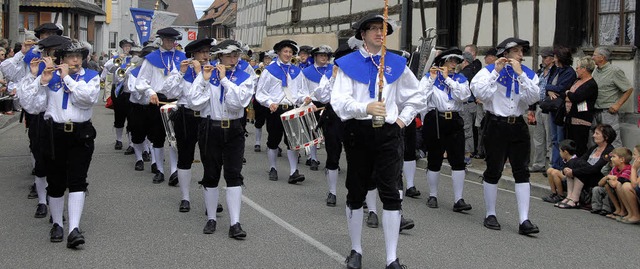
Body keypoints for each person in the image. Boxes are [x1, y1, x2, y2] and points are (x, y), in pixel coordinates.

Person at [331, 14, 423, 269]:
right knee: (356, 191)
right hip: (358, 132)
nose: (379, 33)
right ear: (363, 34)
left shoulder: (396, 63)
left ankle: (392, 258)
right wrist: (365, 107)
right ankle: (356, 250)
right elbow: (339, 102)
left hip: (389, 134)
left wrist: (403, 120)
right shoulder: (347, 63)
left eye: (383, 29)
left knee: (391, 193)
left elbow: (416, 96)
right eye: (373, 29)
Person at [22, 38, 100, 248]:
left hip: (80, 133)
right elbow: (31, 104)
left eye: (79, 56)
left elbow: (86, 99)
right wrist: (40, 80)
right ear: (62, 59)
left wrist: (67, 78)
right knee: (55, 182)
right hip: (54, 133)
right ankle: (57, 224)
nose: (75, 60)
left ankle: (74, 229)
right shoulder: (51, 78)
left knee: (77, 180)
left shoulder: (91, 77)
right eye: (70, 56)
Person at [470, 37, 540, 235]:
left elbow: (534, 97)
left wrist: (521, 76)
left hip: (518, 124)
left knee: (522, 171)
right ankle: (490, 214)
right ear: (506, 53)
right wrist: (497, 73)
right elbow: (481, 95)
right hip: (496, 124)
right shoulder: (487, 72)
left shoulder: (528, 74)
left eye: (521, 51)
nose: (521, 54)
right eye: (516, 51)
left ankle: (524, 219)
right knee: (494, 170)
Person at [187, 39, 254, 237]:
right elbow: (194, 102)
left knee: (234, 174)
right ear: (220, 57)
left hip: (234, 129)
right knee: (211, 173)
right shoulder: (207, 75)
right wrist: (205, 79)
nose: (233, 59)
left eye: (236, 55)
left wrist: (225, 80)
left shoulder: (245, 77)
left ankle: (235, 223)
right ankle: (211, 219)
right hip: (211, 128)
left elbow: (238, 103)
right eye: (229, 56)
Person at [161, 38, 215, 210]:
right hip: (186, 116)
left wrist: (202, 73)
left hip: (207, 117)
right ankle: (185, 198)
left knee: (209, 158)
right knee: (185, 157)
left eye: (208, 52)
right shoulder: (183, 71)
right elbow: (170, 92)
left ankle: (211, 197)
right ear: (194, 55)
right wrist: (181, 73)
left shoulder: (213, 71)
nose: (206, 56)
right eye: (203, 53)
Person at [420, 48, 473, 212]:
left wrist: (448, 80)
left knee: (458, 160)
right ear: (442, 63)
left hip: (454, 119)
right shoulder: (429, 78)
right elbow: (421, 96)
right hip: (435, 118)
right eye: (450, 62)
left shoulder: (460, 79)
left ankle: (459, 199)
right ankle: (433, 195)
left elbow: (464, 96)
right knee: (434, 158)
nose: (453, 65)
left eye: (456, 62)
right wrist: (433, 79)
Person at [134, 27, 187, 184]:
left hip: (176, 101)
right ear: (162, 40)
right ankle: (159, 169)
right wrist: (150, 92)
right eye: (168, 40)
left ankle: (174, 171)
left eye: (173, 40)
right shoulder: (151, 58)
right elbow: (141, 80)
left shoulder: (182, 57)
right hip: (158, 100)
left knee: (174, 138)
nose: (171, 43)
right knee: (157, 137)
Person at [255, 39, 307, 184]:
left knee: (293, 141)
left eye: (290, 52)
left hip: (291, 109)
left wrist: (305, 98)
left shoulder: (297, 72)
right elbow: (260, 92)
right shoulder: (269, 71)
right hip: (275, 109)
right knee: (273, 140)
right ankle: (273, 168)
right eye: (285, 51)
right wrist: (269, 103)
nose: (288, 54)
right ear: (278, 53)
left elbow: (301, 92)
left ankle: (293, 171)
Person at [558, 124, 616, 209]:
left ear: (606, 137)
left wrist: (574, 172)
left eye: (597, 133)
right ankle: (569, 196)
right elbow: (580, 160)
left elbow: (596, 168)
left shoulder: (609, 150)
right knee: (575, 162)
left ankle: (575, 199)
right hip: (588, 174)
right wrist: (565, 169)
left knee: (581, 169)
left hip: (599, 178)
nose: (593, 136)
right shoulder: (593, 148)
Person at [591, 47, 634, 148]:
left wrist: (618, 104)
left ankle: (617, 162)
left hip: (608, 112)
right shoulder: (596, 71)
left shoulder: (614, 71)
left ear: (602, 57)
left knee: (613, 139)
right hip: (595, 110)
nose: (592, 57)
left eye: (594, 55)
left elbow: (628, 89)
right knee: (597, 140)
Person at [301, 45, 334, 171]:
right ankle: (313, 158)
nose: (324, 58)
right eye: (321, 55)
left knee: (330, 134)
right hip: (314, 105)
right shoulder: (306, 72)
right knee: (313, 132)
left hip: (330, 104)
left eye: (326, 55)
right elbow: (304, 90)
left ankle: (332, 160)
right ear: (315, 57)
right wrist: (309, 103)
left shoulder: (333, 70)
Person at [544, 46, 576, 172]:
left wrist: (550, 87)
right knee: (553, 138)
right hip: (552, 106)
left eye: (556, 56)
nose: (554, 59)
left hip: (561, 107)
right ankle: (554, 164)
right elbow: (550, 84)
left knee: (560, 138)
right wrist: (550, 88)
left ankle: (560, 165)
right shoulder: (556, 70)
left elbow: (562, 88)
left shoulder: (569, 72)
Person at [102, 38, 136, 153]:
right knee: (119, 116)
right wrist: (116, 59)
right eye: (125, 46)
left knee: (132, 118)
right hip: (118, 91)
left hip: (130, 91)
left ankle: (132, 143)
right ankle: (119, 140)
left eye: (129, 46)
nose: (127, 48)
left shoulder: (135, 58)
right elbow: (107, 68)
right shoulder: (117, 57)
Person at [528, 48, 555, 172]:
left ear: (552, 58)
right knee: (538, 137)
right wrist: (531, 108)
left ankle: (550, 165)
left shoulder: (554, 72)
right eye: (542, 57)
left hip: (549, 107)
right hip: (539, 105)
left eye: (545, 57)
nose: (543, 60)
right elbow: (534, 89)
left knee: (549, 137)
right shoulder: (540, 72)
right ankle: (538, 163)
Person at [564, 56, 598, 157]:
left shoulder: (591, 84)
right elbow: (564, 93)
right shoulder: (576, 81)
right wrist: (568, 94)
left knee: (579, 145)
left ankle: (578, 168)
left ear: (584, 69)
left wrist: (568, 94)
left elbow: (576, 97)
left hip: (581, 119)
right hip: (570, 117)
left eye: (578, 67)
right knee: (569, 145)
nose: (576, 69)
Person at [603, 147, 633, 220]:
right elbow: (600, 183)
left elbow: (615, 183)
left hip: (627, 191)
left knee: (618, 185)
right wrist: (608, 177)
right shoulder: (615, 168)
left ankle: (624, 211)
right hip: (617, 189)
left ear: (622, 159)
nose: (611, 159)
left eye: (613, 157)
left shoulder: (628, 169)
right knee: (606, 185)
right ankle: (618, 209)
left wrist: (609, 178)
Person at [616, 145, 640, 223]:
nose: (633, 157)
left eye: (635, 155)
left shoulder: (635, 167)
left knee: (627, 186)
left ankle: (636, 215)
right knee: (620, 184)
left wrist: (633, 168)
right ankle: (631, 213)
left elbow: (634, 185)